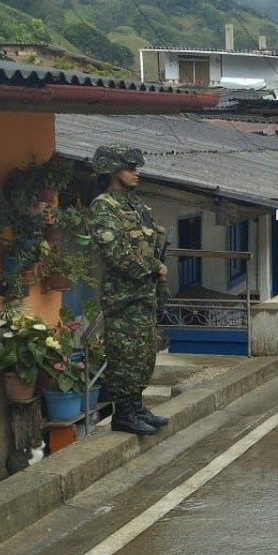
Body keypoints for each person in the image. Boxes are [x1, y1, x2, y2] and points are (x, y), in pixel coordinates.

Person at [90, 145, 170, 436]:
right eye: (129, 168)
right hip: (123, 296)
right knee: (124, 355)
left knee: (143, 354)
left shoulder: (136, 205)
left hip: (144, 294)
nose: (136, 173)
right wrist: (154, 267)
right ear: (112, 170)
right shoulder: (104, 207)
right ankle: (123, 414)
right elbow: (116, 253)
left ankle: (136, 406)